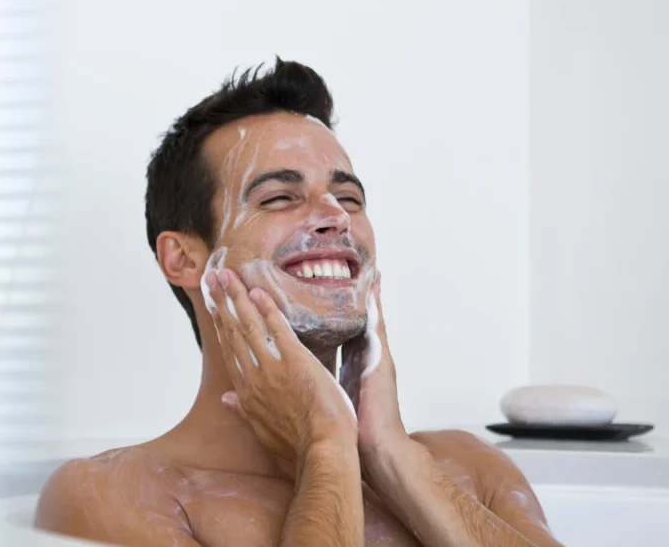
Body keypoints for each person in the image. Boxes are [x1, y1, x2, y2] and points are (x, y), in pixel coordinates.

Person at [34, 59, 561, 546]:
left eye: (349, 198)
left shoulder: (471, 470)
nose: (336, 217)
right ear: (184, 259)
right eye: (280, 198)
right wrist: (325, 445)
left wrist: (392, 455)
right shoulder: (116, 494)